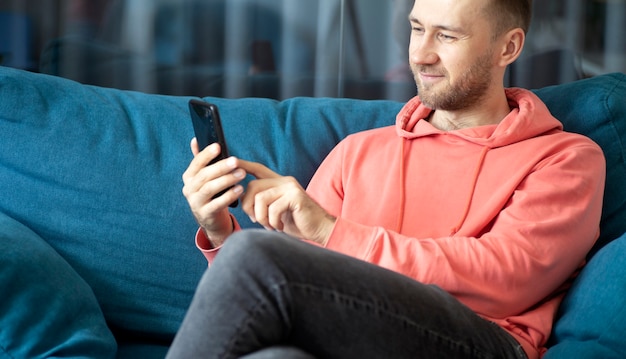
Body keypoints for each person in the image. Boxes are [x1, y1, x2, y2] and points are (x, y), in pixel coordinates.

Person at [167, 0, 605, 358]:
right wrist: (220, 231)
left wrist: (330, 231)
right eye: (417, 29)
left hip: (482, 342)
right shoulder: (358, 151)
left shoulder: (564, 158)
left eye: (447, 36)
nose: (421, 54)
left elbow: (506, 279)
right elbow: (287, 291)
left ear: (507, 48)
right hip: (354, 336)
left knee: (257, 252)